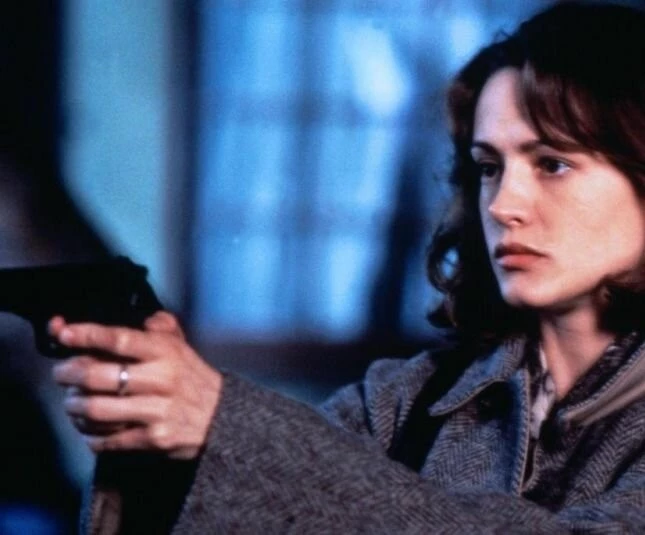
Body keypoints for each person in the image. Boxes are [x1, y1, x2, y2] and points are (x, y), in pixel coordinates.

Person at [50, 1, 645, 532]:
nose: (503, 204)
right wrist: (159, 429)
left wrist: (222, 425)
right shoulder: (410, 399)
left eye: (552, 164)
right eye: (489, 167)